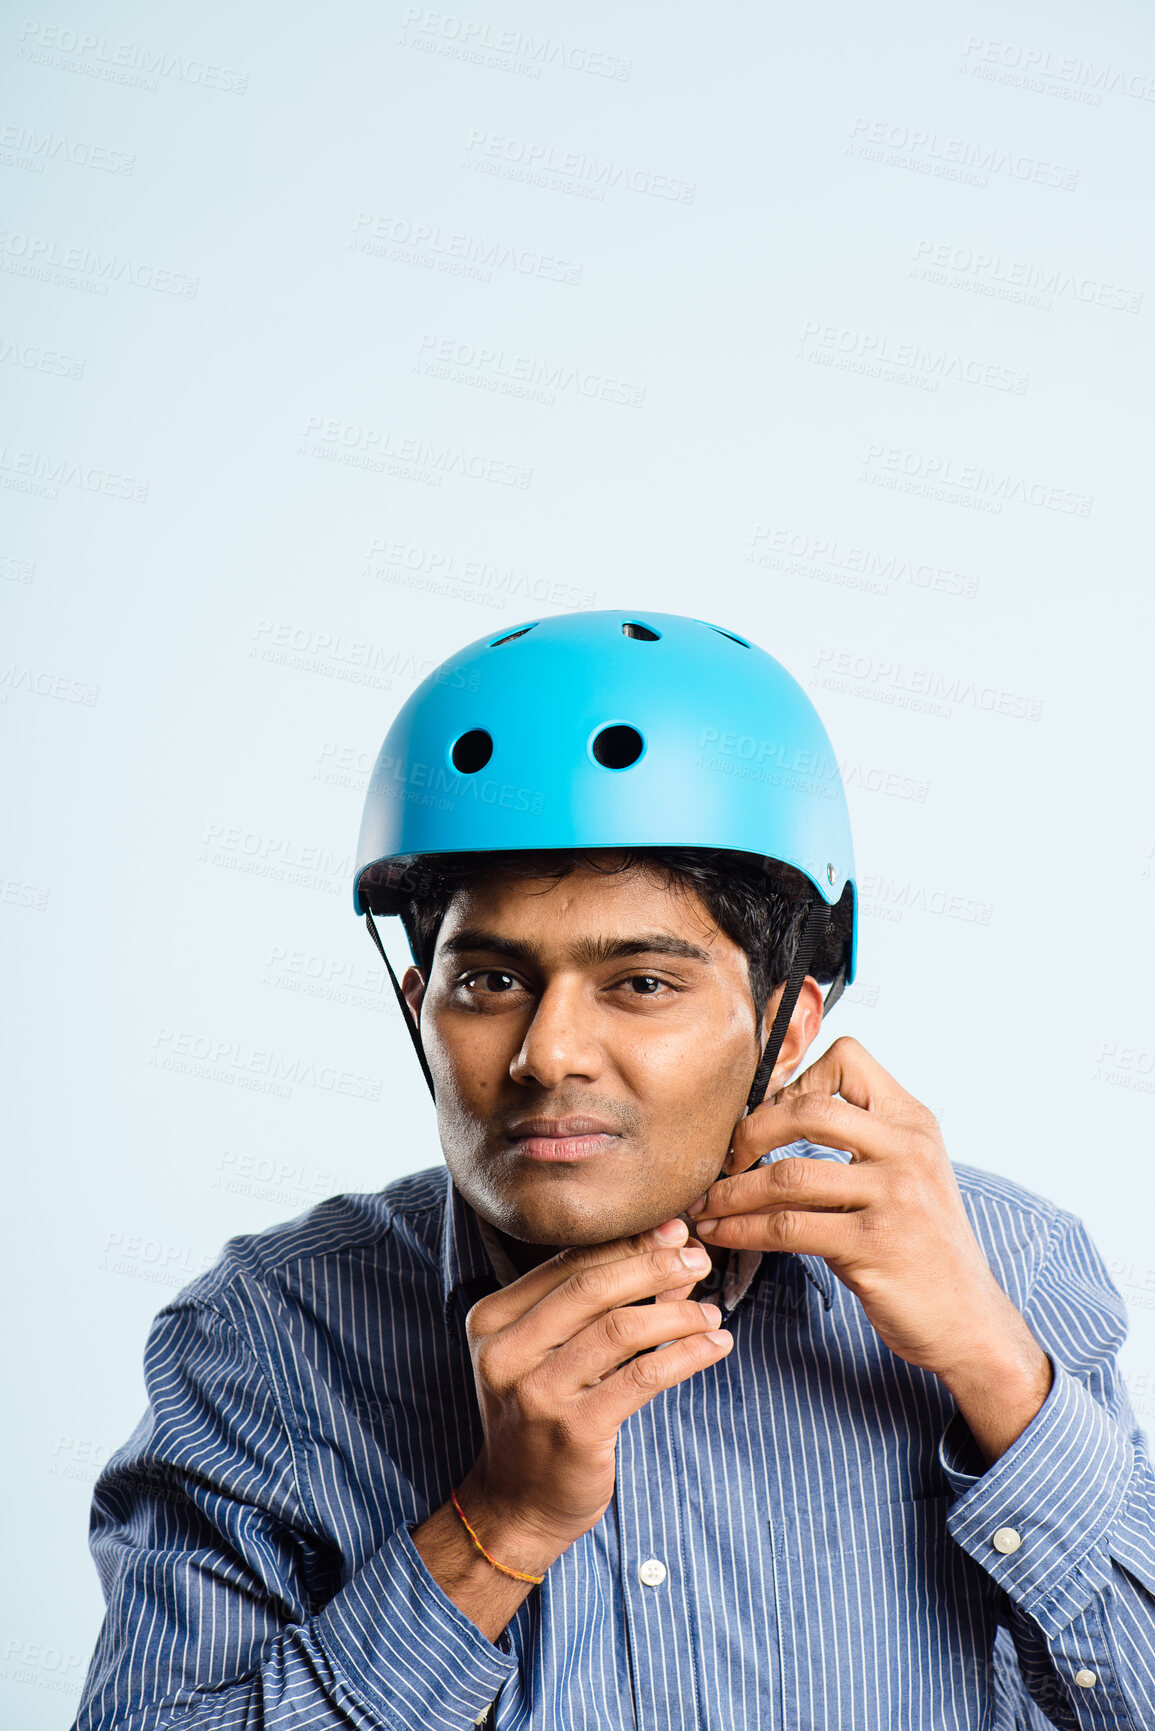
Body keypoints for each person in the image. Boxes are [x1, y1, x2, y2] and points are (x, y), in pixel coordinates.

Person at [73, 610, 1155, 1730]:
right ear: (420, 1010)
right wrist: (497, 1532)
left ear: (787, 1028)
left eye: (641, 982)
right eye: (490, 983)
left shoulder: (1009, 1266)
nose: (547, 1055)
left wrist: (1001, 1378)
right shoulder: (265, 1337)